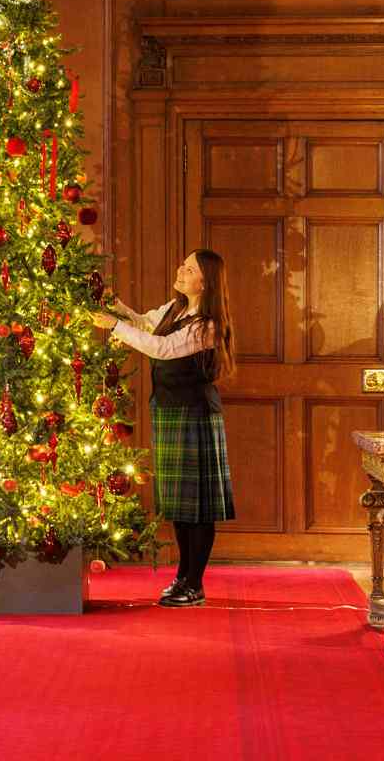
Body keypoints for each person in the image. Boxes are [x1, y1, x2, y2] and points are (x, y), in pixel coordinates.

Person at [92, 250, 236, 607]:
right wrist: (116, 307)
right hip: (170, 413)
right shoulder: (175, 309)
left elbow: (162, 348)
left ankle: (194, 583)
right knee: (180, 505)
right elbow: (145, 324)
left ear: (206, 282)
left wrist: (114, 326)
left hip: (195, 416)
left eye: (189, 269)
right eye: (183, 265)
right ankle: (183, 578)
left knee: (198, 507)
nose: (180, 270)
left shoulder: (206, 325)